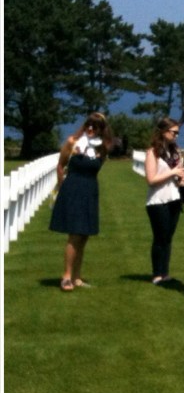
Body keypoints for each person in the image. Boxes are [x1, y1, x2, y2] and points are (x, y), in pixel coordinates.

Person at [49, 112, 111, 292]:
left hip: (90, 190)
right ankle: (66, 276)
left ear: (101, 129)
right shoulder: (72, 142)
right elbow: (60, 166)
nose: (90, 129)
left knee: (84, 236)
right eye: (88, 125)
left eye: (95, 126)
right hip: (72, 189)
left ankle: (77, 277)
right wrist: (62, 189)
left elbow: (96, 169)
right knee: (74, 234)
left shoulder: (102, 148)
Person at [145, 118, 184, 285]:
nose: (176, 135)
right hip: (158, 200)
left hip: (174, 198)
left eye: (178, 133)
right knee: (160, 237)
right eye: (173, 132)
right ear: (163, 132)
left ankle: (165, 273)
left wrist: (183, 180)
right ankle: (157, 274)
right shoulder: (153, 152)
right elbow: (151, 179)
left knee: (168, 238)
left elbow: (180, 174)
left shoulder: (175, 151)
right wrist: (173, 172)